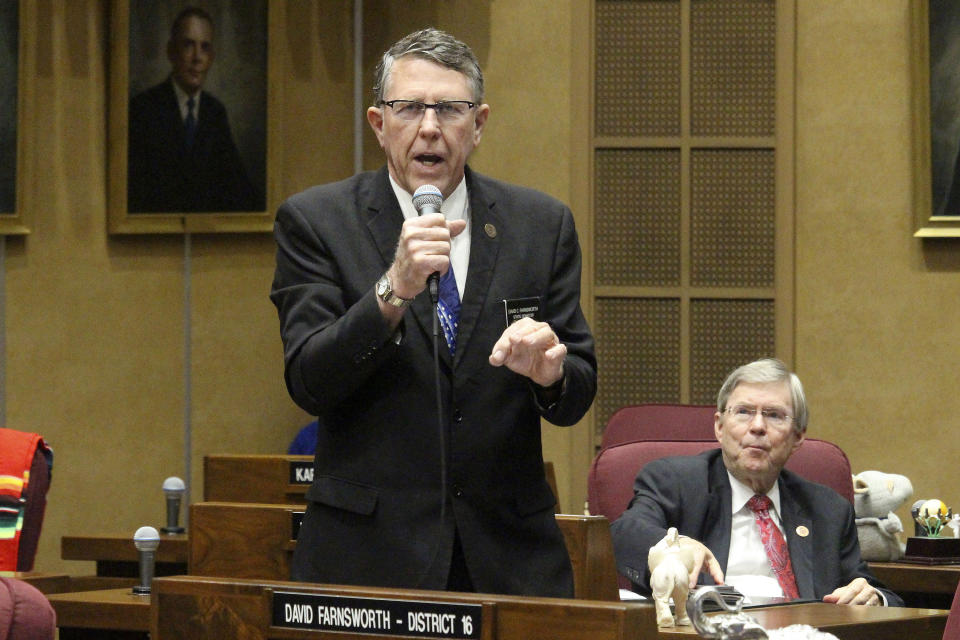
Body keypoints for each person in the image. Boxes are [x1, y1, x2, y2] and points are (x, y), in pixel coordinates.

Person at [269, 28, 596, 597]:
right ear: (378, 123)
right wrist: (393, 288)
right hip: (369, 561)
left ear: (479, 124)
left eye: (450, 109)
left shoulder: (541, 225)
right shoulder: (317, 222)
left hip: (510, 559)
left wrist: (550, 376)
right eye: (408, 108)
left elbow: (578, 390)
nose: (429, 127)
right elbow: (309, 381)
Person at [610, 358, 904, 607]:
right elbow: (624, 534)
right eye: (744, 412)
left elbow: (874, 589)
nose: (758, 426)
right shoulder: (674, 482)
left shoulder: (828, 509)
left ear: (798, 436)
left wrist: (874, 597)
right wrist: (672, 547)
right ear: (720, 427)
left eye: (774, 415)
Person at [127, 6, 261, 213]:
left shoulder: (214, 113)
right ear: (171, 51)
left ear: (212, 57)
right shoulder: (143, 109)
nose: (197, 57)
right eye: (188, 45)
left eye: (205, 47)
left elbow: (237, 187)